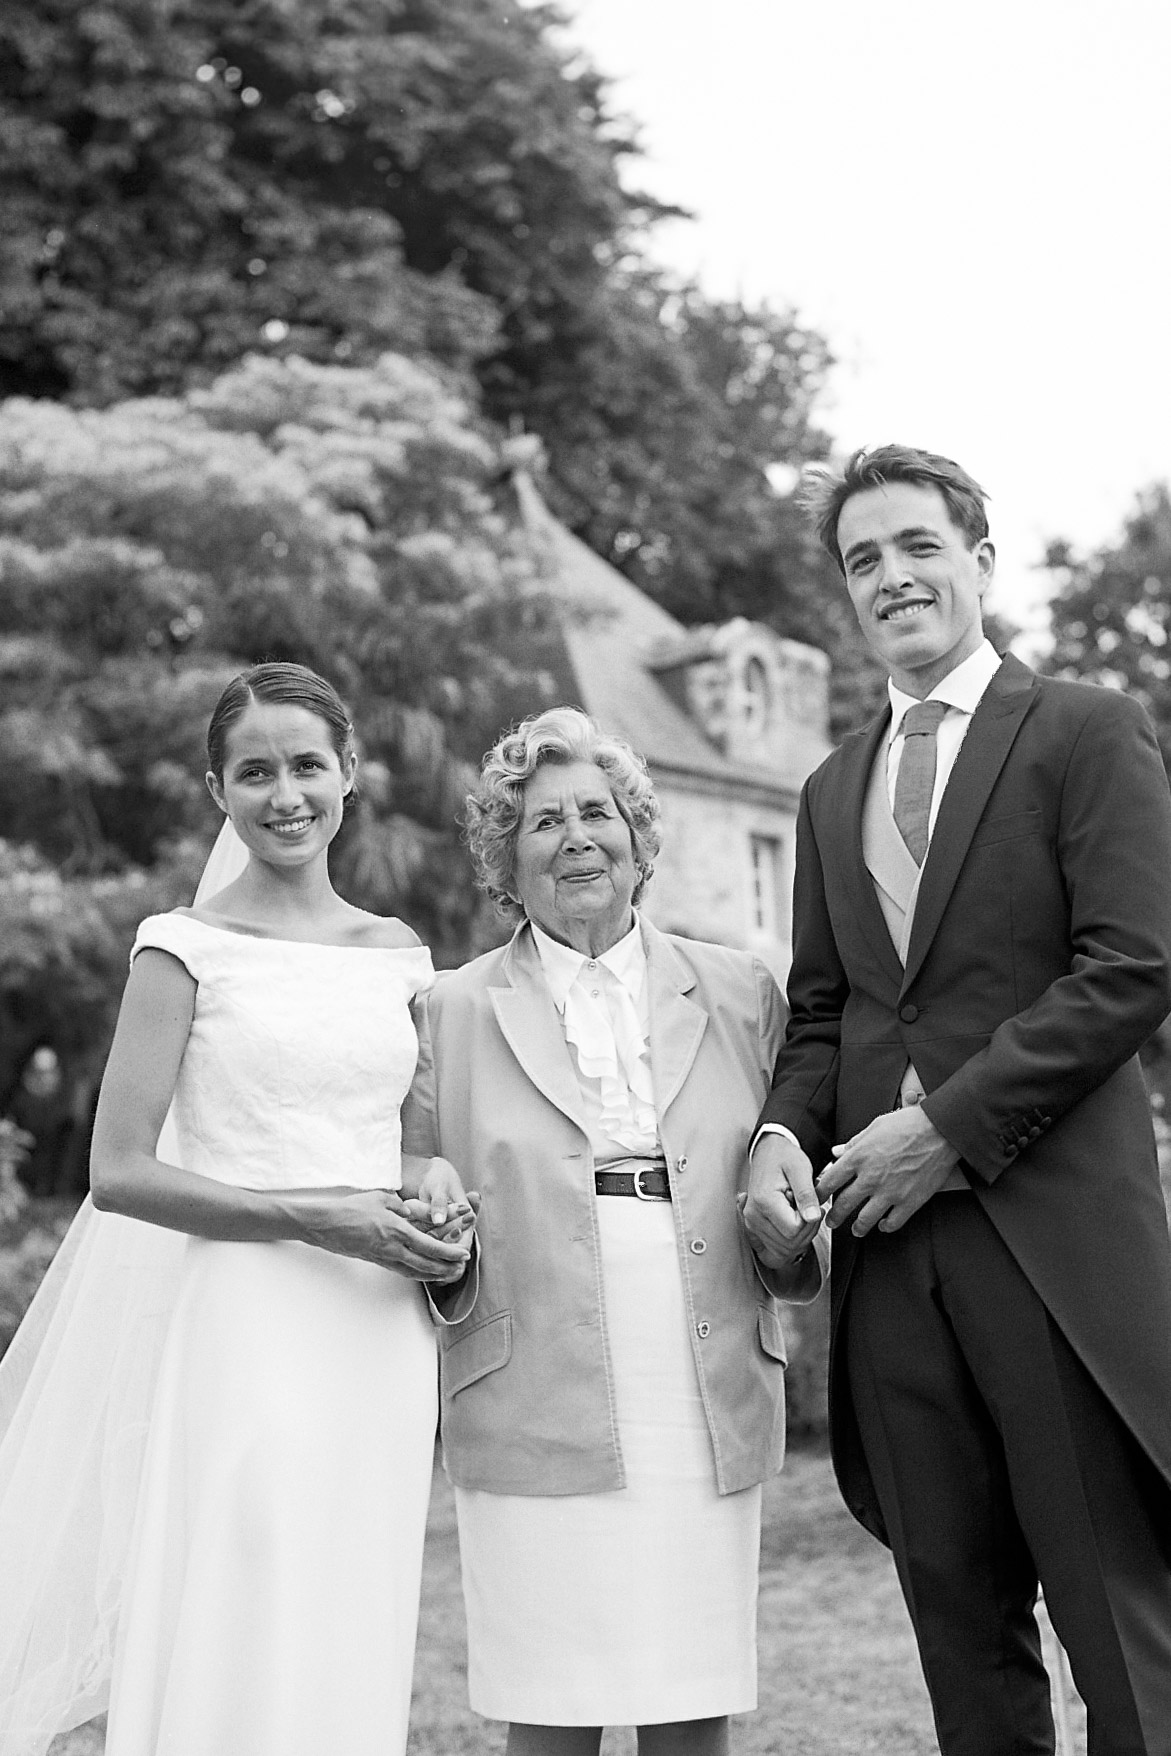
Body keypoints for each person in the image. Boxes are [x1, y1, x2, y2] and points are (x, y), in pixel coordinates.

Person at [743, 445, 1171, 1756]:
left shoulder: (1083, 729)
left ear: (978, 560)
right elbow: (823, 1010)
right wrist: (777, 1135)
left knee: (1118, 1624)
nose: (891, 576)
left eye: (916, 545)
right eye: (861, 559)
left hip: (1052, 1245)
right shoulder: (828, 789)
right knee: (957, 1625)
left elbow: (1132, 965)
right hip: (888, 1263)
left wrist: (946, 1129)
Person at [0, 661, 477, 1756]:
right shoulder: (181, 948)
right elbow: (118, 1172)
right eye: (254, 772)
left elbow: (412, 1145)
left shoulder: (398, 954)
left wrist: (435, 1190)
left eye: (307, 764)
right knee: (242, 1576)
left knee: (348, 1591)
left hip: (377, 1331)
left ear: (349, 772)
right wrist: (318, 1217)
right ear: (218, 790)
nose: (285, 794)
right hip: (244, 1317)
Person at [403, 706, 828, 1756]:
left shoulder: (741, 991)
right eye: (542, 822)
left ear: (639, 840)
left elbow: (787, 1153)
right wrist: (430, 1208)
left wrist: (789, 1230)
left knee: (690, 1682)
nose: (576, 838)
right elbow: (411, 1181)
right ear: (507, 861)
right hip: (529, 1373)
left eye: (597, 813)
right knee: (551, 1692)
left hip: (702, 1361)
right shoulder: (446, 1010)